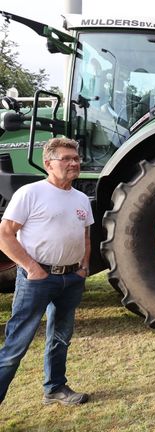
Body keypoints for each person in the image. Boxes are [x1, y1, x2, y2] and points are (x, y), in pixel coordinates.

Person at [0, 138, 93, 405]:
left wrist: (84, 267)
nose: (74, 163)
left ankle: (55, 388)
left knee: (61, 338)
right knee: (16, 346)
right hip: (38, 279)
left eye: (75, 158)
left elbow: (85, 236)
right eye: (66, 158)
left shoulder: (81, 198)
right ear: (48, 163)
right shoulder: (30, 193)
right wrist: (31, 268)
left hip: (71, 277)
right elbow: (5, 234)